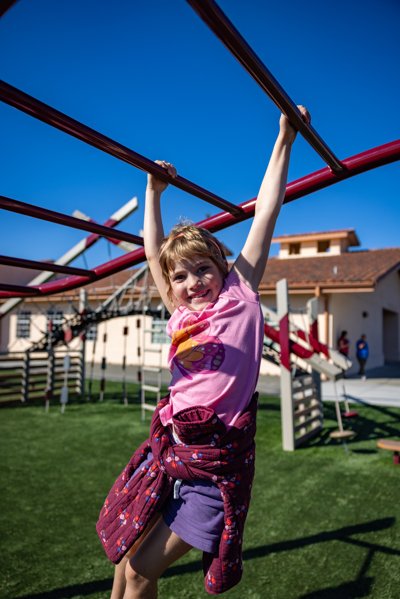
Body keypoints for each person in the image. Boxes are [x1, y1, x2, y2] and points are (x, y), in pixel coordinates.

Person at [106, 105, 311, 599]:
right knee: (124, 564)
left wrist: (285, 138)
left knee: (138, 572)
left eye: (203, 269)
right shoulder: (178, 312)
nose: (192, 281)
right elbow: (153, 250)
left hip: (213, 468)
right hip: (172, 455)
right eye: (180, 275)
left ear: (221, 268)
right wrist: (153, 194)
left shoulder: (239, 296)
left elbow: (267, 210)